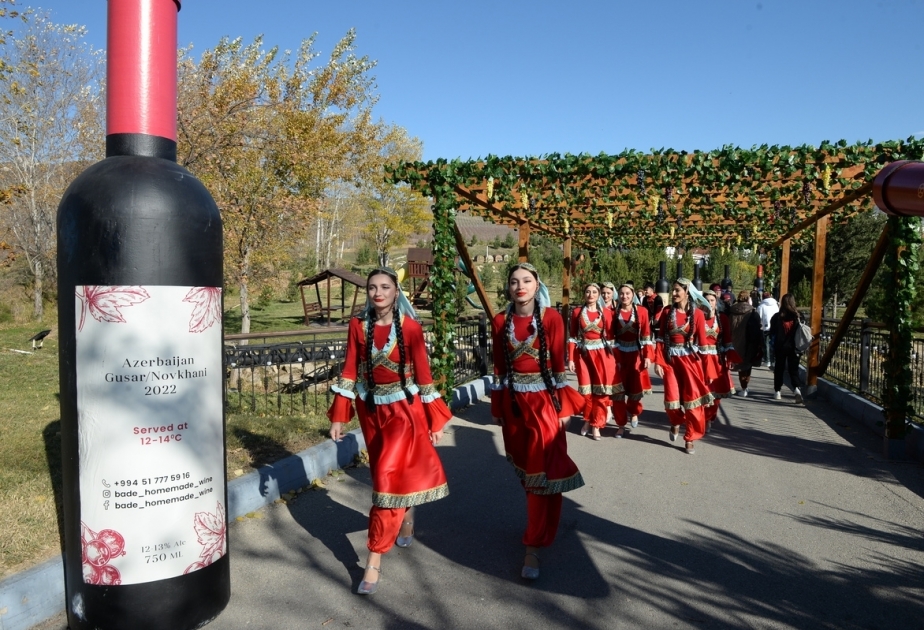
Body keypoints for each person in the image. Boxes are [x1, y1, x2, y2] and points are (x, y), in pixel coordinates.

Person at [328, 268, 452, 596]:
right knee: (387, 477)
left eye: (385, 287)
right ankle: (408, 514)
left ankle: (373, 559)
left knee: (385, 480)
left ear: (397, 292)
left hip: (404, 413)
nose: (378, 293)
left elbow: (424, 376)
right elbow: (350, 369)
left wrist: (433, 420)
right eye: (372, 287)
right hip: (370, 412)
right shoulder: (358, 326)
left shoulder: (410, 328)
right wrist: (340, 415)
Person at [492, 263, 585, 579]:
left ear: (536, 285)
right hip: (515, 406)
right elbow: (500, 370)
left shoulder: (552, 319)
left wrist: (564, 410)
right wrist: (499, 409)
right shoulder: (500, 321)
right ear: (509, 288)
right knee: (530, 474)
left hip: (545, 405)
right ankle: (544, 525)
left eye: (527, 281)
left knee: (538, 472)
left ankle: (531, 549)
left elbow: (558, 368)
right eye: (514, 281)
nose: (520, 286)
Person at [653, 278, 714, 454]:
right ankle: (675, 422)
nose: (673, 294)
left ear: (687, 291)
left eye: (677, 290)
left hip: (691, 362)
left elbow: (704, 346)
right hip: (671, 361)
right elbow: (660, 338)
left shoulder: (698, 315)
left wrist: (707, 370)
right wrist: (659, 361)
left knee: (692, 402)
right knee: (671, 401)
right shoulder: (666, 312)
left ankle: (690, 437)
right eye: (673, 290)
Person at [568, 283, 623, 440]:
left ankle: (596, 425)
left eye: (594, 292)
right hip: (583, 356)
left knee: (600, 393)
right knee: (586, 392)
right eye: (587, 292)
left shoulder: (606, 313)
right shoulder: (577, 312)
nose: (590, 295)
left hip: (602, 356)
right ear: (584, 294)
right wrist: (571, 358)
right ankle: (587, 420)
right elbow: (572, 337)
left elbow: (612, 339)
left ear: (598, 295)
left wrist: (616, 360)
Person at [612, 283, 653, 434]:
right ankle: (621, 425)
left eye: (627, 293)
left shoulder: (641, 311)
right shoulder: (613, 312)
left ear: (633, 294)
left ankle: (634, 413)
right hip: (619, 354)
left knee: (635, 389)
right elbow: (610, 337)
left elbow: (646, 335)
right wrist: (614, 358)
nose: (624, 296)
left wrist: (648, 356)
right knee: (618, 391)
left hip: (636, 353)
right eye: (622, 293)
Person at [700, 290, 738, 433]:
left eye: (712, 300)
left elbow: (728, 339)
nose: (709, 303)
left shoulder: (722, 318)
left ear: (717, 302)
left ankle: (710, 417)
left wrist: (731, 357)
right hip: (701, 359)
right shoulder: (696, 317)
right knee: (702, 390)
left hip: (717, 360)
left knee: (716, 393)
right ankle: (702, 417)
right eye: (706, 300)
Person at [769, 293, 805, 403]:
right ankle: (797, 389)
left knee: (779, 368)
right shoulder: (798, 316)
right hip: (794, 346)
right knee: (793, 369)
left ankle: (777, 391)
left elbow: (772, 332)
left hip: (780, 346)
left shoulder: (777, 316)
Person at [727, 290, 763, 397]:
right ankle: (745, 386)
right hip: (749, 342)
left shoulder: (731, 311)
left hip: (734, 341)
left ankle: (737, 386)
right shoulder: (753, 312)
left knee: (736, 364)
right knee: (747, 364)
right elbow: (758, 328)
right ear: (748, 299)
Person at [757, 291, 779, 368]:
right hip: (775, 326)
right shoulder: (775, 305)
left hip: (765, 327)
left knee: (766, 344)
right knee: (773, 343)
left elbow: (759, 317)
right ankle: (773, 360)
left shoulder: (761, 306)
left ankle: (767, 360)